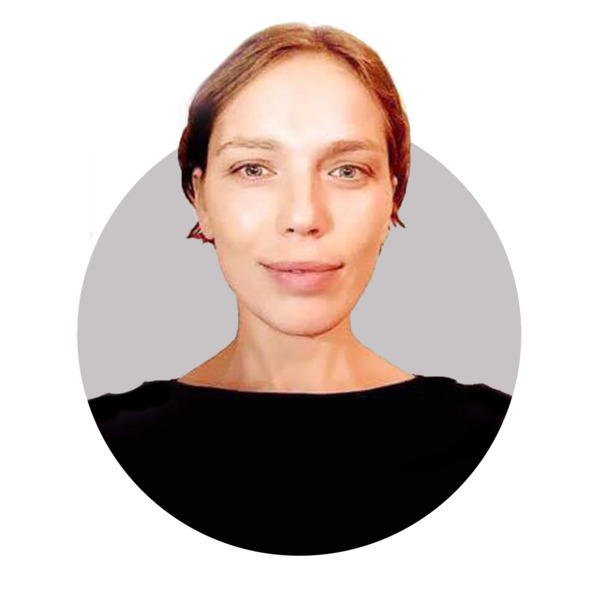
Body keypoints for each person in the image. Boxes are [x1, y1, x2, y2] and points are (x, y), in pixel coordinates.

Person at [89, 23, 511, 555]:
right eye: (253, 168)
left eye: (347, 170)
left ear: (392, 199)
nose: (305, 216)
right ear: (201, 197)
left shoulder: (500, 436)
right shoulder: (98, 441)